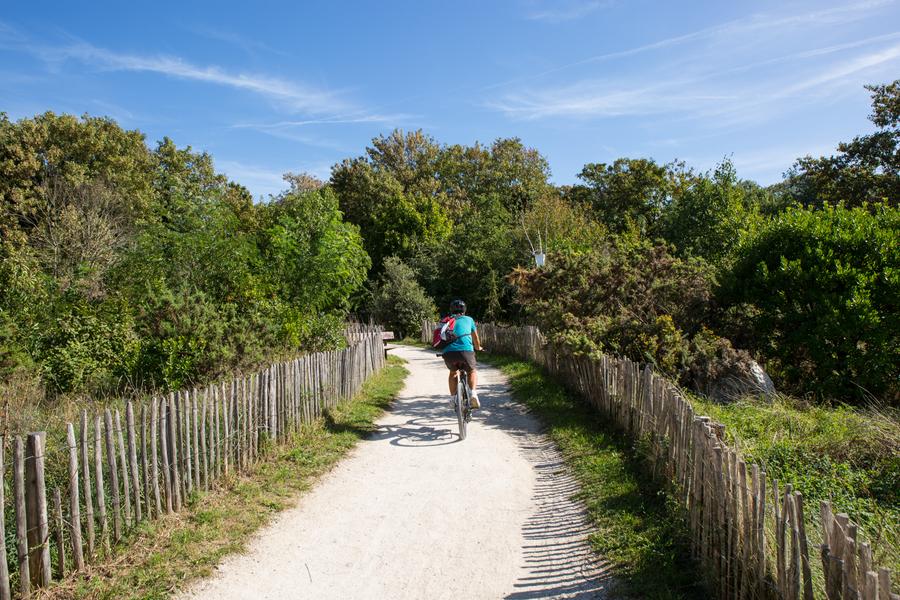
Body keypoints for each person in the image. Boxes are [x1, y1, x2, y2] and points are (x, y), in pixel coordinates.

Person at [441, 299, 483, 409]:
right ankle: (473, 393)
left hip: (448, 353)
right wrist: (478, 347)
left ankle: (452, 399)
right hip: (466, 351)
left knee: (453, 373)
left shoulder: (446, 321)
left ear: (451, 310)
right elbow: (475, 337)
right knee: (472, 371)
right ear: (464, 310)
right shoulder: (469, 319)